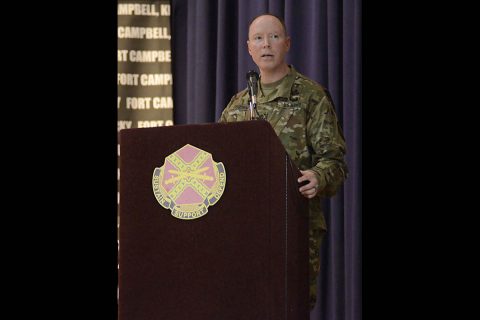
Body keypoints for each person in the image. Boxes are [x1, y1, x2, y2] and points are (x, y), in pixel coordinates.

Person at [219, 13, 348, 310]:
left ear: (287, 43)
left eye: (274, 37)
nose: (266, 44)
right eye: (259, 39)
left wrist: (319, 176)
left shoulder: (311, 97)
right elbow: (221, 165)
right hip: (244, 231)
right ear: (248, 47)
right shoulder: (237, 106)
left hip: (294, 227)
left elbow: (335, 162)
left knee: (288, 308)